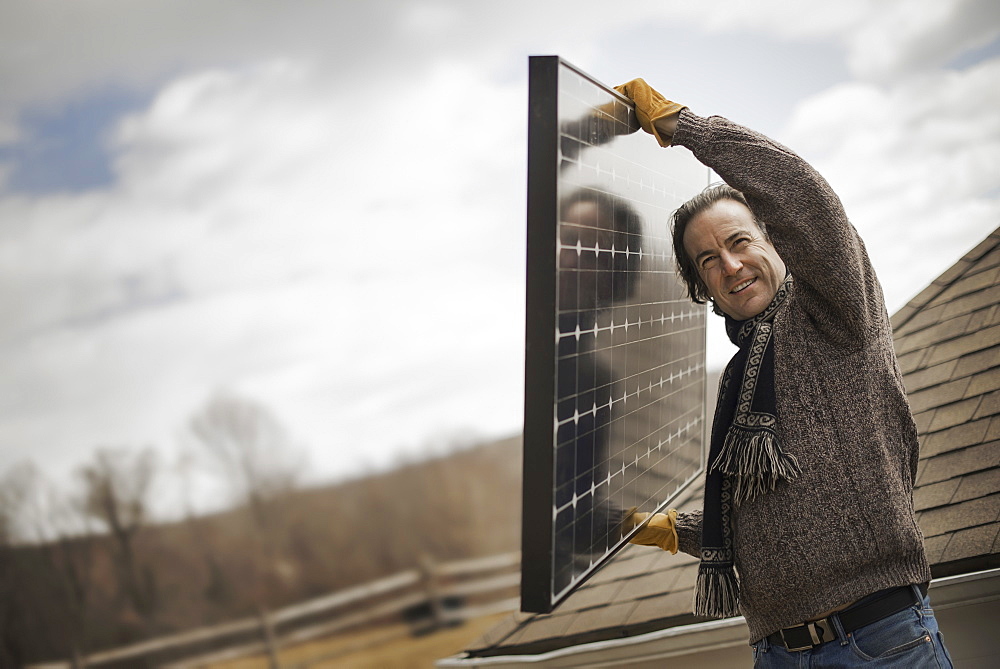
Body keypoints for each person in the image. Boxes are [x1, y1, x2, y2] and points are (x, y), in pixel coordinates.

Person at [615, 78, 954, 668]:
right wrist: (671, 530)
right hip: (776, 654)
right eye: (708, 261)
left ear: (775, 240)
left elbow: (805, 194)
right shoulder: (739, 382)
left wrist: (686, 126)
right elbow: (757, 525)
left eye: (739, 241)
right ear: (705, 291)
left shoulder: (835, 311)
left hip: (881, 641)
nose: (730, 264)